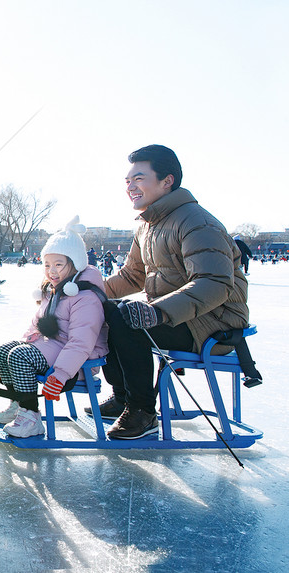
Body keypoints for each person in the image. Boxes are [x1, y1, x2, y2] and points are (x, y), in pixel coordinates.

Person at [99, 144, 249, 439]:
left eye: (139, 179)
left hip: (214, 323)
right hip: (179, 317)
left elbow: (214, 283)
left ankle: (142, 411)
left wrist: (157, 312)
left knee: (127, 321)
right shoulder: (147, 225)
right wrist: (84, 291)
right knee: (104, 310)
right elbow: (132, 275)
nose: (130, 186)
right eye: (127, 181)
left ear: (167, 181)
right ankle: (123, 396)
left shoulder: (196, 222)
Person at [0, 217, 108, 437]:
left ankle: (31, 416)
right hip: (52, 348)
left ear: (74, 265)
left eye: (58, 265)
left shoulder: (85, 297)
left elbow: (81, 342)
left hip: (77, 363)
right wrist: (26, 341)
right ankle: (18, 403)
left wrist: (62, 374)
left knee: (20, 357)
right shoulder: (55, 290)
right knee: (5, 351)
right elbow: (37, 324)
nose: (51, 271)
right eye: (47, 265)